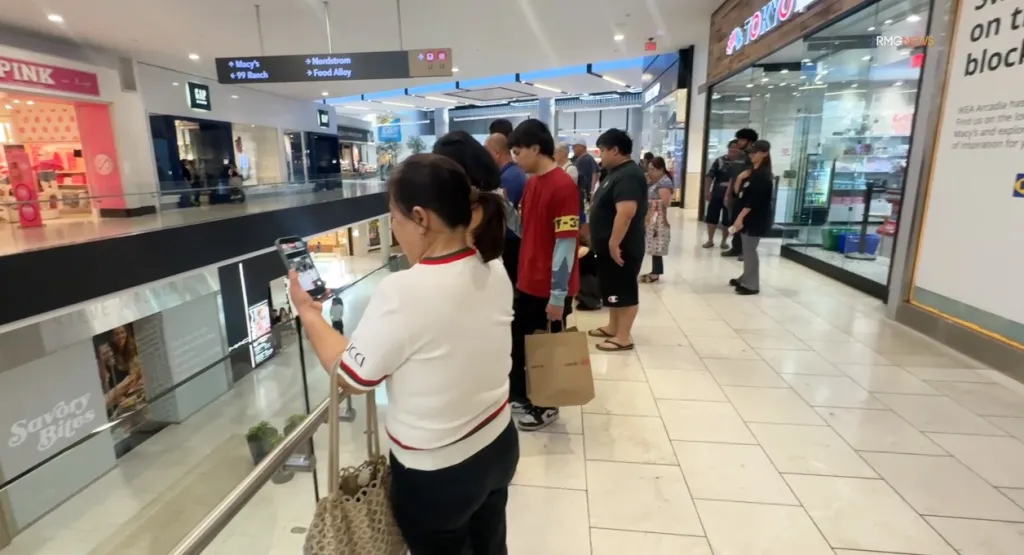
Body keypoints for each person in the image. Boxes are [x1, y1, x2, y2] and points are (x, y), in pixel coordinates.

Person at [289, 153, 518, 554]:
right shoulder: (492, 268)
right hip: (498, 443)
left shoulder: (404, 291)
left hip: (438, 475)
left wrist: (309, 314)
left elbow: (351, 378)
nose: (393, 228)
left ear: (420, 217)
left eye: (392, 216)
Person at [507, 119, 581, 431]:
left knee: (547, 350)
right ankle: (523, 397)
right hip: (527, 281)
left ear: (536, 148)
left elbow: (566, 245)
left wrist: (557, 296)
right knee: (523, 345)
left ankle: (547, 405)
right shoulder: (533, 183)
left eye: (517, 151)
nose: (514, 158)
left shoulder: (564, 188)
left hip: (549, 288)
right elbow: (525, 230)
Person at [587, 129, 647, 352]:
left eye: (602, 150)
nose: (600, 155)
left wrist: (613, 243)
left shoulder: (629, 175)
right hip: (608, 245)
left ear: (615, 150)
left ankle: (624, 336)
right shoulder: (615, 173)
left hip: (622, 246)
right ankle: (613, 327)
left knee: (624, 288)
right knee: (612, 286)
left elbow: (626, 212)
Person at [730, 140, 774, 296]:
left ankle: (752, 285)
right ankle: (745, 277)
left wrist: (740, 218)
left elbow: (753, 201)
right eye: (750, 152)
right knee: (747, 249)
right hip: (746, 216)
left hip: (755, 218)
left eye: (755, 152)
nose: (752, 155)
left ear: (765, 153)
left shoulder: (763, 176)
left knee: (749, 251)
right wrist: (740, 179)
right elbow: (738, 193)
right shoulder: (751, 173)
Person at [485, 133, 528, 282]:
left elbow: (505, 216)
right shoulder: (515, 174)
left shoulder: (508, 179)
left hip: (511, 244)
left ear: (496, 153)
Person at [723, 128, 758, 258]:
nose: (739, 142)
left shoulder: (754, 156)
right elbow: (733, 176)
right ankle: (736, 247)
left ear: (749, 141)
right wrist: (728, 194)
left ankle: (745, 251)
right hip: (736, 194)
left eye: (741, 139)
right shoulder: (741, 156)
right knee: (734, 221)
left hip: (747, 194)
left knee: (745, 223)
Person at [704, 140, 743, 249]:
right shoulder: (720, 161)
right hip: (717, 194)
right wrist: (707, 191)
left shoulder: (741, 163)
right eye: (731, 150)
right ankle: (710, 240)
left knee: (727, 220)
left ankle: (724, 241)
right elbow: (709, 176)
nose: (732, 153)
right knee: (711, 217)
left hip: (732, 196)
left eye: (735, 151)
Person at [640, 156, 673, 283]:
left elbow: (664, 202)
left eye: (652, 169)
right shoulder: (655, 182)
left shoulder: (664, 183)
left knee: (656, 243)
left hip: (657, 218)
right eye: (649, 169)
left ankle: (656, 272)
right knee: (653, 244)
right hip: (652, 216)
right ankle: (655, 270)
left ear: (660, 169)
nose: (650, 172)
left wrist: (647, 202)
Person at [572, 137, 599, 204]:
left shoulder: (587, 159)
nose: (573, 149)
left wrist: (592, 191)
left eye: (575, 146)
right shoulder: (578, 159)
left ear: (581, 147)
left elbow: (595, 174)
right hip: (581, 194)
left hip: (583, 195)